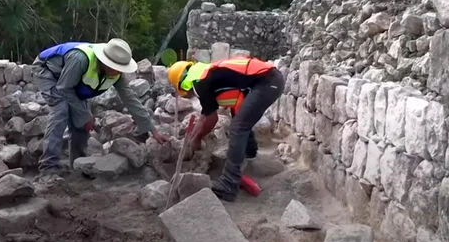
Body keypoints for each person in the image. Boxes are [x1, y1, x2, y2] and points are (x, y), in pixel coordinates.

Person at [33, 38, 169, 182]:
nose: (117, 71)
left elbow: (130, 100)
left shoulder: (117, 74)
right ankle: (48, 169)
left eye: (120, 68)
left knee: (81, 120)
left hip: (70, 82)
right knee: (61, 110)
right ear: (104, 61)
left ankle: (79, 164)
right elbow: (64, 89)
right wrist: (86, 115)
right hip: (47, 72)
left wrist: (152, 130)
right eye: (114, 67)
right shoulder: (80, 60)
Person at [168, 56, 284, 201]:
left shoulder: (199, 83)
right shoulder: (205, 74)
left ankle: (229, 184)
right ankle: (249, 154)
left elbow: (211, 119)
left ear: (182, 85)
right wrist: (191, 139)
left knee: (238, 127)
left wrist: (197, 140)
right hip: (268, 79)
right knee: (240, 121)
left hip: (266, 82)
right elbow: (205, 115)